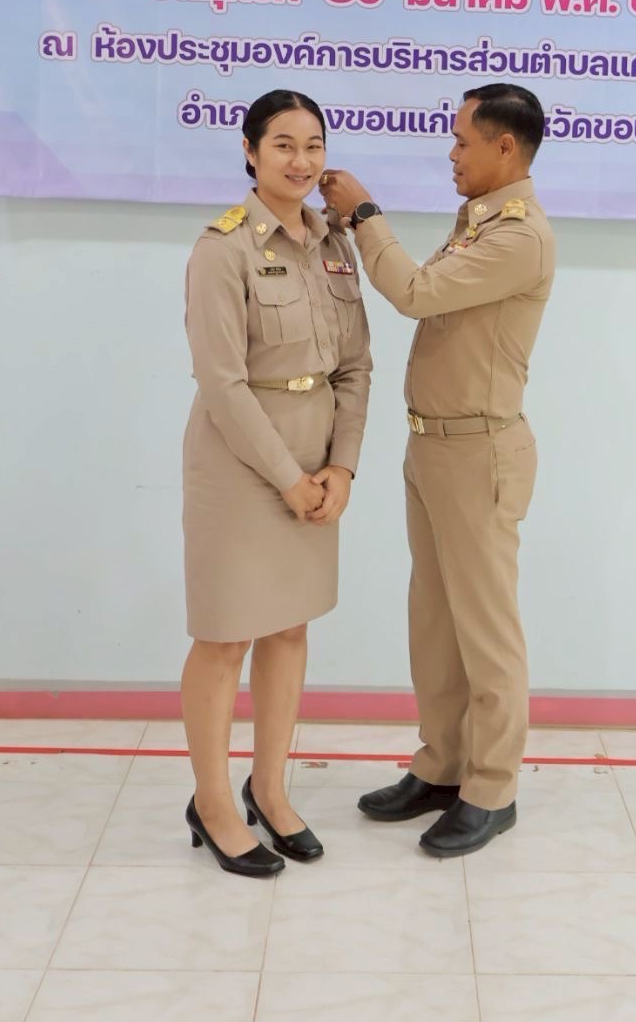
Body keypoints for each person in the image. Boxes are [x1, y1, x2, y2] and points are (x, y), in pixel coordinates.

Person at [320, 83, 554, 858]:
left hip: (480, 452)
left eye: (461, 141)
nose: (451, 154)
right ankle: (443, 765)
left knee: (486, 630)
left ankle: (491, 788)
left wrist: (364, 213)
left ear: (504, 147)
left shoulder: (520, 236)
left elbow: (416, 294)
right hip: (434, 447)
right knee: (436, 622)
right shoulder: (479, 221)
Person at [180, 89, 372, 877]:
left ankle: (268, 788)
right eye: (284, 144)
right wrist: (290, 478)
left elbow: (355, 367)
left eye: (314, 145)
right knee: (225, 635)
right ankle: (212, 803)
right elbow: (222, 383)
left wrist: (341, 466)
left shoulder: (335, 244)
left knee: (289, 628)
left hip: (316, 462)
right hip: (240, 464)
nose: (301, 160)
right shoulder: (222, 248)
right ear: (251, 151)